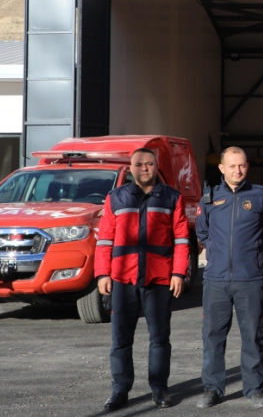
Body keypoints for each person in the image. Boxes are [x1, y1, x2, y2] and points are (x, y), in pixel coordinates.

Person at [95, 147, 190, 411]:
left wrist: (178, 273)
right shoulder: (116, 198)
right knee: (121, 340)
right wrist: (102, 273)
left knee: (159, 338)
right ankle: (120, 390)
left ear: (157, 166)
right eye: (139, 164)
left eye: (149, 164)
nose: (144, 168)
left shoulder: (172, 198)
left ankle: (159, 389)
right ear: (131, 168)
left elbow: (182, 240)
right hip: (123, 279)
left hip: (158, 279)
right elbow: (104, 240)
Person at [196, 147, 263, 409]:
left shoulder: (260, 195)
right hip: (216, 280)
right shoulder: (209, 197)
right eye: (232, 166)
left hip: (250, 279)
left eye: (241, 165)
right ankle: (212, 389)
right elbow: (202, 232)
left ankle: (254, 389)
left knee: (253, 336)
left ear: (247, 166)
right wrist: (218, 253)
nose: (237, 170)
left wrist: (252, 252)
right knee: (212, 337)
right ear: (222, 168)